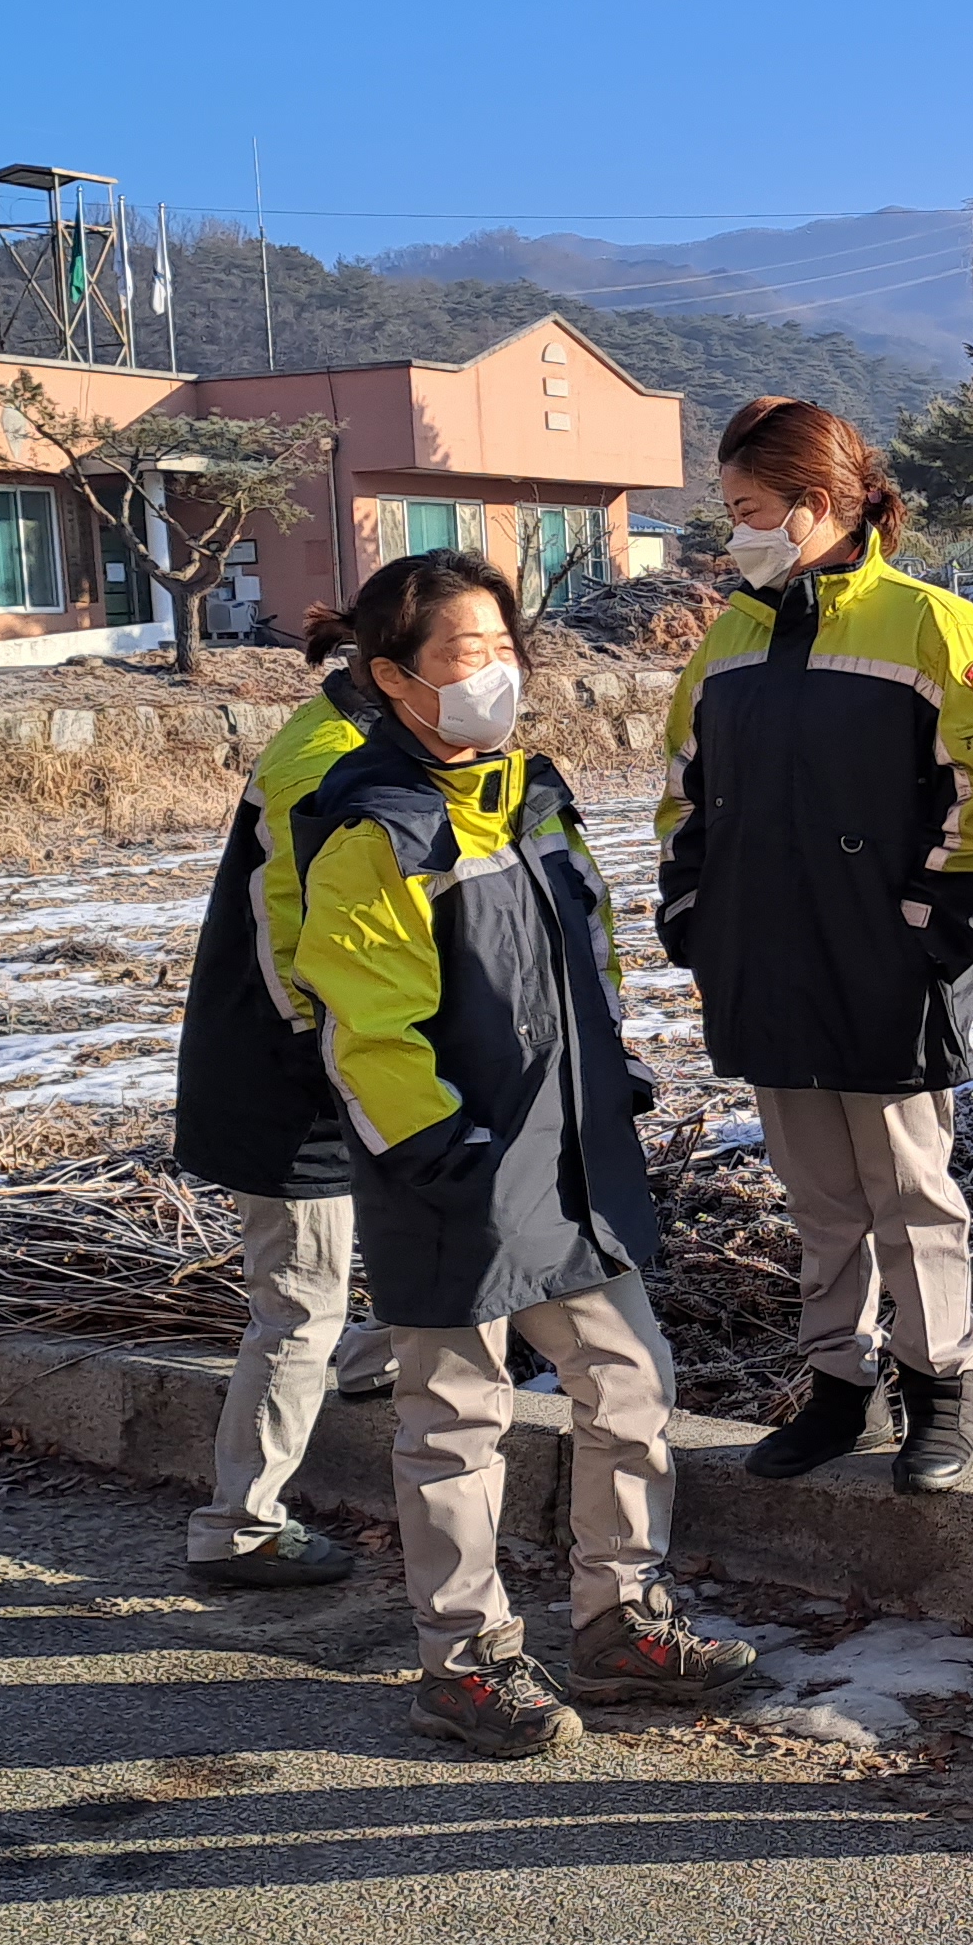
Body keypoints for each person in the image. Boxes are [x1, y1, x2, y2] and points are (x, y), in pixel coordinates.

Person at [293, 549, 759, 1756]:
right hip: (456, 1165)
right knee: (455, 1416)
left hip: (569, 1150)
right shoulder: (375, 828)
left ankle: (620, 1618)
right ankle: (464, 1658)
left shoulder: (532, 795)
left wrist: (611, 1070)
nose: (491, 675)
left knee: (631, 1380)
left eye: (504, 650)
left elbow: (585, 958)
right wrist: (442, 1148)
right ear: (392, 677)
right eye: (464, 655)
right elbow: (366, 1028)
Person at [658, 397, 973, 1492]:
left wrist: (935, 921)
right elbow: (683, 788)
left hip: (887, 958)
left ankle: (941, 1390)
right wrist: (692, 908)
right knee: (817, 1195)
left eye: (748, 510)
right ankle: (838, 1390)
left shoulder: (928, 624)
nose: (735, 533)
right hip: (763, 959)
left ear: (816, 505)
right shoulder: (732, 636)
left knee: (911, 1191)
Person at [166, 619, 407, 1589]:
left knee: (423, 1228)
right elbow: (293, 955)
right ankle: (239, 1525)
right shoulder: (323, 762)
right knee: (300, 1303)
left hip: (339, 1066)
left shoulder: (366, 742)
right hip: (289, 1080)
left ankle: (370, 1363)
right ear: (391, 668)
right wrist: (352, 1062)